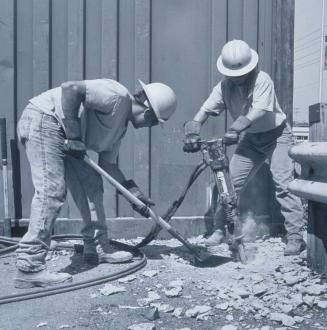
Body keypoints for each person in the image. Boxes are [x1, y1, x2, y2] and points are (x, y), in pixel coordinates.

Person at [15, 78, 177, 288]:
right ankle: (29, 266)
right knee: (52, 191)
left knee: (92, 184)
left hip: (66, 132)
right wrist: (74, 136)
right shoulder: (118, 96)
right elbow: (71, 89)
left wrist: (134, 195)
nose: (148, 127)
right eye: (153, 123)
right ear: (149, 113)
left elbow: (108, 165)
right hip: (45, 120)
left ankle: (97, 248)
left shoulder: (120, 129)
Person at [183, 39, 305, 256]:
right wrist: (193, 129)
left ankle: (295, 237)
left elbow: (259, 110)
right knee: (227, 185)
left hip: (277, 136)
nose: (238, 77)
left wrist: (236, 127)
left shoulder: (262, 79)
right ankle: (219, 229)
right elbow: (205, 109)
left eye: (241, 73)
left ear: (251, 68)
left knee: (284, 184)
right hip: (251, 139)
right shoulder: (223, 87)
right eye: (233, 74)